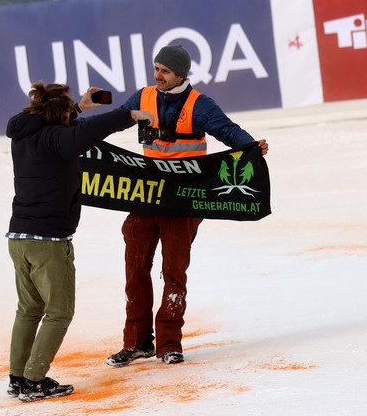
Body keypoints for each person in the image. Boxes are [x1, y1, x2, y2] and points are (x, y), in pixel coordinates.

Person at [105, 45, 269, 367]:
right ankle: (137, 342)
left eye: (164, 70)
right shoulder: (144, 97)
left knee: (173, 273)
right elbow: (113, 121)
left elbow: (227, 130)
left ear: (181, 73)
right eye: (156, 69)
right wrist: (76, 135)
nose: (158, 75)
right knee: (135, 268)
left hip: (184, 199)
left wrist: (250, 146)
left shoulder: (199, 105)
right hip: (148, 195)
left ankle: (168, 344)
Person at [6, 81, 152, 402]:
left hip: (18, 237)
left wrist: (79, 107)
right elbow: (85, 133)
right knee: (59, 312)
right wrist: (129, 114)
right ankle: (33, 381)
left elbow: (59, 127)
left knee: (29, 309)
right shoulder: (59, 139)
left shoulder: (25, 135)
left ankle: (18, 378)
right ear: (57, 112)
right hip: (48, 241)